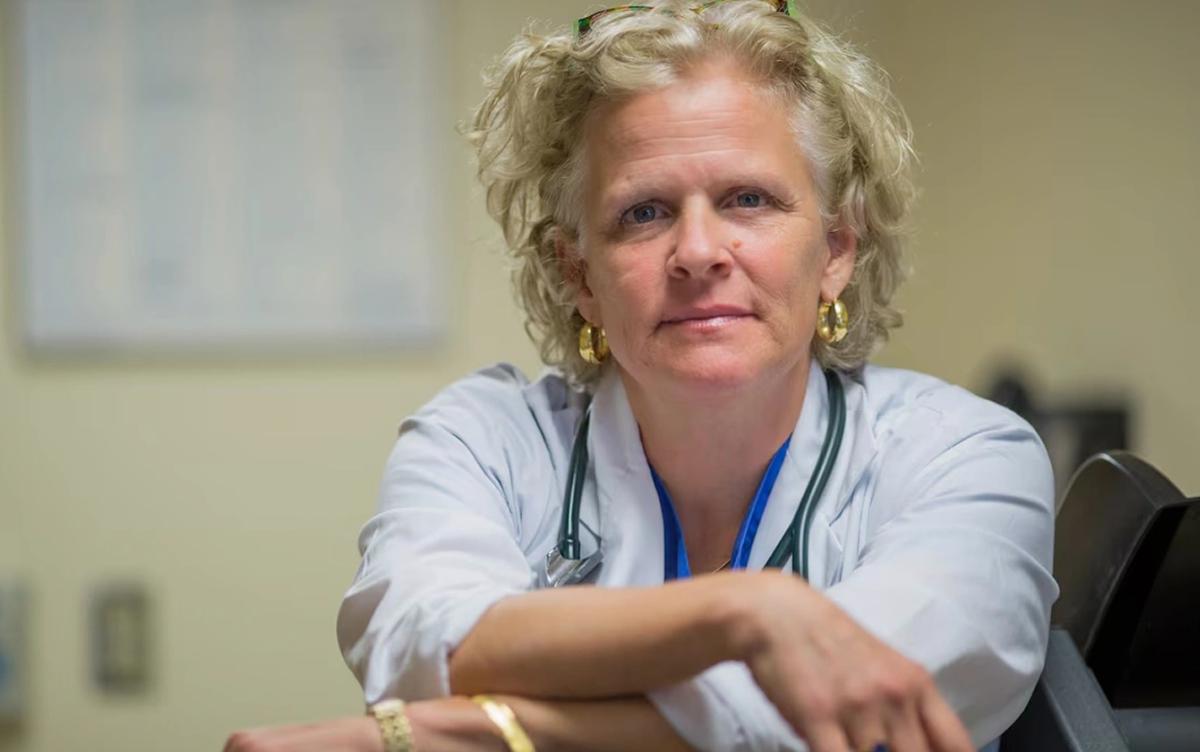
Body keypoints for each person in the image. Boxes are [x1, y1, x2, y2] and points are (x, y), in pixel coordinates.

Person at [225, 1, 1056, 750]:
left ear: (836, 249)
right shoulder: (483, 441)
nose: (698, 253)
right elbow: (427, 647)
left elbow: (855, 708)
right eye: (644, 213)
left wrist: (444, 738)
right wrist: (744, 614)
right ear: (580, 274)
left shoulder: (966, 457)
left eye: (748, 200)